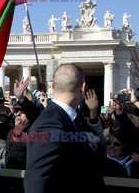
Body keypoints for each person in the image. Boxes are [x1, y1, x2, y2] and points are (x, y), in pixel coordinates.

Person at [24, 64, 105, 193]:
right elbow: (37, 181)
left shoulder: (71, 118)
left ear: (52, 86)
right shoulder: (51, 124)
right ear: (83, 87)